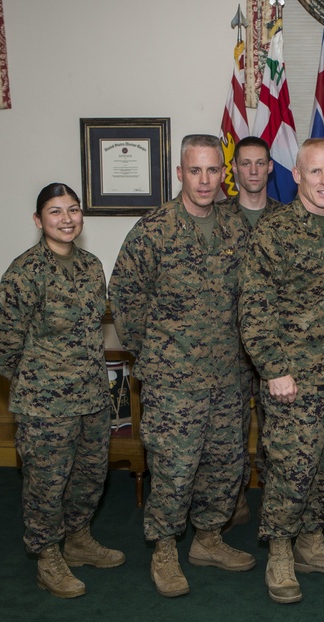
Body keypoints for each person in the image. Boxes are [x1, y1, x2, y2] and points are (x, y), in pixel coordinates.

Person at [109, 134, 256, 598]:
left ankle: (208, 538)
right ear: (180, 174)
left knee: (226, 462)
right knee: (174, 467)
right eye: (196, 170)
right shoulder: (153, 230)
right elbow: (125, 298)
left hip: (230, 375)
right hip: (174, 380)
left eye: (214, 170)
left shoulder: (237, 228)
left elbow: (251, 297)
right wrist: (153, 355)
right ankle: (166, 548)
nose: (206, 180)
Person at [238, 138, 324, 605]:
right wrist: (274, 369)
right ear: (296, 175)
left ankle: (311, 541)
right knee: (292, 470)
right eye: (314, 172)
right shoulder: (274, 233)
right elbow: (254, 308)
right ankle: (279, 548)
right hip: (293, 380)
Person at [0, 183, 125, 599]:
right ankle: (47, 555)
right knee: (46, 483)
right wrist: (36, 382)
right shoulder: (25, 271)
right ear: (38, 220)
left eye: (73, 210)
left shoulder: (91, 265)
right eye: (55, 212)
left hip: (90, 395)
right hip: (45, 403)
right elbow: (2, 342)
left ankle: (78, 539)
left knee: (88, 477)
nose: (67, 219)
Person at [220, 136, 280, 529]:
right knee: (230, 430)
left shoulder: (287, 218)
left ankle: (276, 502)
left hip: (277, 344)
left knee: (278, 430)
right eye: (246, 164)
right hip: (226, 345)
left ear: (271, 167)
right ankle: (234, 497)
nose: (254, 171)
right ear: (235, 170)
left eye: (261, 163)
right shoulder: (218, 218)